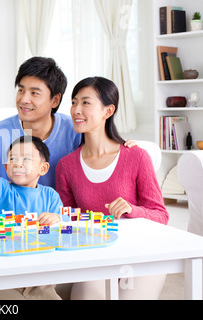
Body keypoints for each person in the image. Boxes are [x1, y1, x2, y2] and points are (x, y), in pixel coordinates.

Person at [55, 76, 169, 300]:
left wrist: (132, 210)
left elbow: (161, 216)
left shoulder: (136, 156)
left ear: (108, 111)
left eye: (86, 103)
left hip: (141, 255)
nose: (76, 110)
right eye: (74, 102)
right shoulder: (66, 166)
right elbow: (66, 219)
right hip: (94, 256)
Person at [0, 57, 82, 215]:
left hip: (55, 222)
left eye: (34, 93)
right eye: (21, 90)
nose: (23, 99)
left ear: (55, 100)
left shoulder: (74, 131)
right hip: (9, 220)